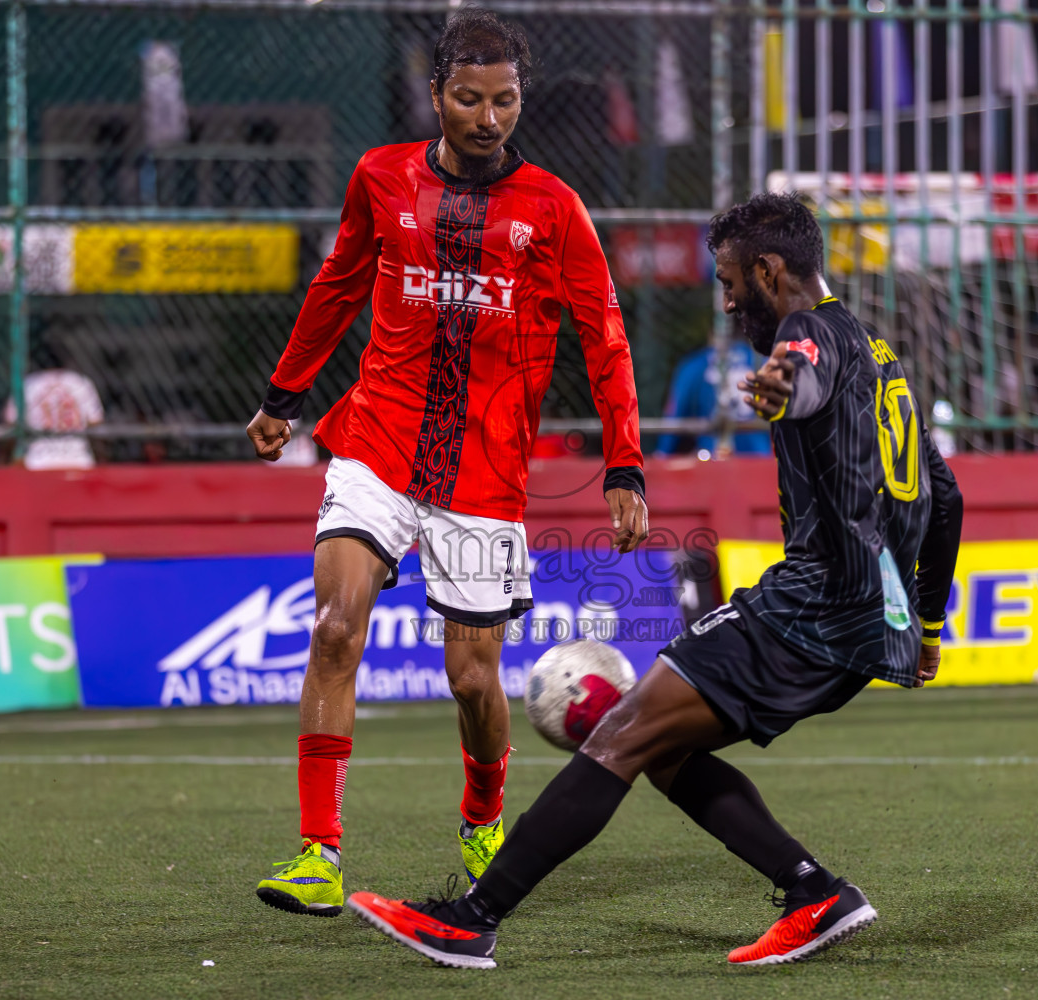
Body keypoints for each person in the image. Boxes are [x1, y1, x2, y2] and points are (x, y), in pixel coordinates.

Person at [344, 192, 964, 969]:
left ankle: (472, 918)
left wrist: (780, 385)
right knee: (660, 748)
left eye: (732, 280)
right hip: (876, 623)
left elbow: (798, 371)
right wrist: (929, 627)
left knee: (619, 733)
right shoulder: (880, 354)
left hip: (811, 607)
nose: (729, 298)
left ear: (770, 271)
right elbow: (947, 499)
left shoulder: (805, 336)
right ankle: (813, 893)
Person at [244, 9, 649, 919]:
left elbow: (605, 334)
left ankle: (481, 821)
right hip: (376, 444)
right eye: (469, 98)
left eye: (505, 99)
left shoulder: (553, 208)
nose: (488, 117)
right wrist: (283, 395)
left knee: (472, 679)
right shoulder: (381, 178)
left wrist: (625, 464)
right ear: (435, 96)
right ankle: (318, 853)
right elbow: (339, 284)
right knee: (336, 627)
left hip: (483, 475)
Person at [653, 334, 770, 457]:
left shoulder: (695, 364)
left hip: (712, 458)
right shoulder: (763, 363)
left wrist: (662, 453)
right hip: (760, 459)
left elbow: (673, 420)